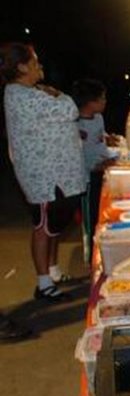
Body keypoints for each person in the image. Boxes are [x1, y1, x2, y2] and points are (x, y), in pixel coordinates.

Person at [1, 43, 86, 301]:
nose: (40, 66)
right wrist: (59, 94)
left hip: (54, 173)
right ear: (22, 67)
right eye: (35, 62)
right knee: (43, 227)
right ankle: (43, 284)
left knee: (53, 226)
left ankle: (53, 270)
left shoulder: (30, 92)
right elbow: (70, 110)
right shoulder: (23, 96)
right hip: (44, 176)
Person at [72, 78, 118, 260]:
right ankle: (91, 254)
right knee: (91, 217)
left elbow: (98, 137)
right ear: (90, 102)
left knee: (102, 213)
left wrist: (108, 138)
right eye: (102, 98)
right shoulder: (75, 124)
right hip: (89, 176)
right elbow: (78, 154)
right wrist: (96, 167)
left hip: (103, 167)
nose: (105, 101)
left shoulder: (98, 118)